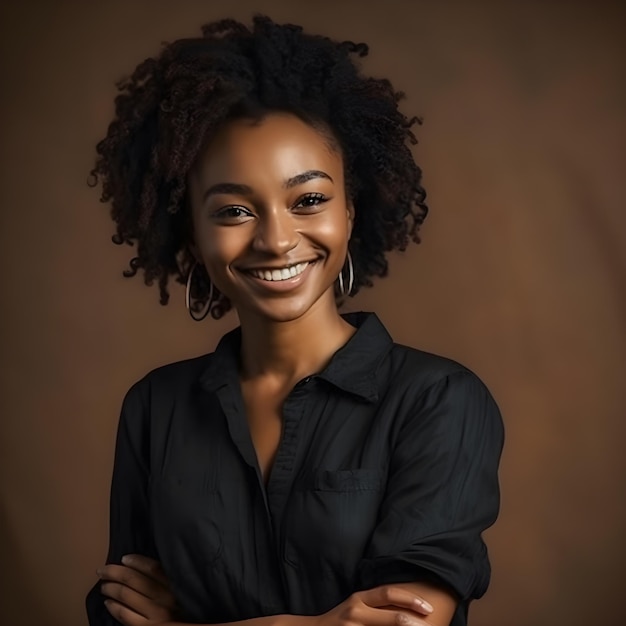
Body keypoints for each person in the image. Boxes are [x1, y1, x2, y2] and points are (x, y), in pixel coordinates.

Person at [86, 15, 504, 626]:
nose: (277, 240)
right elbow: (119, 611)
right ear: (191, 233)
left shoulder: (439, 400)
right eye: (232, 209)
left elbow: (410, 620)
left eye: (308, 199)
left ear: (352, 211)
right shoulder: (155, 408)